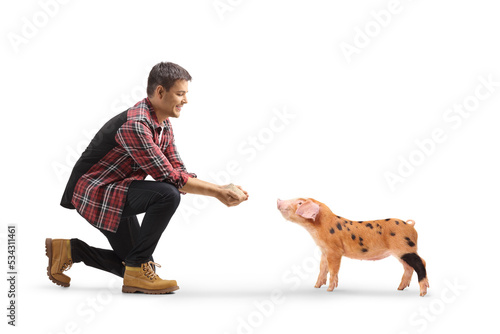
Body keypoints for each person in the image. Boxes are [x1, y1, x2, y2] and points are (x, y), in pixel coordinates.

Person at [47, 62, 248, 294]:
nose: (186, 101)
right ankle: (136, 269)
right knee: (167, 195)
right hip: (95, 192)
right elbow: (170, 177)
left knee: (137, 265)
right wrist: (218, 192)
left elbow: (177, 169)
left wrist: (221, 187)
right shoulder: (136, 125)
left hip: (118, 190)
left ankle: (71, 251)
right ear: (161, 92)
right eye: (180, 94)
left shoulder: (162, 124)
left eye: (186, 94)